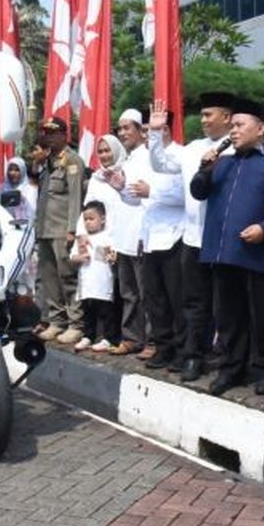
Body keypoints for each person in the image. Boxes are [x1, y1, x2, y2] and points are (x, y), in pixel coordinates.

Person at [190, 97, 264, 397]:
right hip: (224, 252)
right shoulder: (224, 162)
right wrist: (205, 168)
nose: (233, 131)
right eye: (231, 126)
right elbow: (198, 192)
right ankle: (232, 368)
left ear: (260, 129)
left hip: (260, 252)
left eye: (240, 125)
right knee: (229, 316)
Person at [148, 92, 236, 382]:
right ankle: (193, 357)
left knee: (225, 304)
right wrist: (156, 131)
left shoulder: (237, 149)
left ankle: (228, 358)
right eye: (202, 115)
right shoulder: (192, 149)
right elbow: (160, 163)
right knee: (194, 304)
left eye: (210, 114)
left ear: (226, 117)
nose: (204, 120)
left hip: (225, 240)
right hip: (193, 239)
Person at [115, 106, 185, 371]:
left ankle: (181, 349)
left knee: (176, 300)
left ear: (167, 128)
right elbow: (136, 197)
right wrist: (121, 188)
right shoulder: (148, 159)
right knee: (154, 299)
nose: (149, 135)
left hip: (174, 236)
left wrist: (151, 191)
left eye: (154, 129)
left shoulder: (181, 155)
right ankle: (163, 348)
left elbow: (184, 197)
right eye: (146, 130)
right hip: (149, 236)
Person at [34, 117, 87, 343]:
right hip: (45, 228)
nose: (48, 136)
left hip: (62, 228)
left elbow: (75, 197)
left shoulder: (71, 160)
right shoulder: (48, 161)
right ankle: (57, 321)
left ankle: (76, 323)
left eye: (53, 133)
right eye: (45, 133)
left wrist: (72, 229)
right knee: (49, 278)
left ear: (64, 134)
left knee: (67, 276)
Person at [107, 109, 151, 356]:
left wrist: (122, 188)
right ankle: (132, 337)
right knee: (128, 292)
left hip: (142, 234)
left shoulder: (148, 158)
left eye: (127, 128)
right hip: (124, 235)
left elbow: (139, 195)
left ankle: (153, 340)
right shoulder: (129, 159)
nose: (123, 133)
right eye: (120, 129)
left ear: (140, 130)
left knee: (147, 292)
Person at [78, 133, 127, 351]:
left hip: (119, 240)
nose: (105, 155)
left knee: (116, 291)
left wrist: (116, 243)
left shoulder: (124, 174)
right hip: (96, 241)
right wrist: (82, 236)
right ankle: (94, 334)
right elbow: (86, 210)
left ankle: (114, 336)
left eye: (108, 150)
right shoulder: (96, 178)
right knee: (96, 288)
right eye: (101, 151)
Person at [69, 201, 119, 352]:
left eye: (92, 219)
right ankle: (88, 335)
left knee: (106, 311)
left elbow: (112, 256)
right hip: (86, 284)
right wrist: (80, 257)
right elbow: (72, 256)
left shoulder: (108, 236)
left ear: (102, 219)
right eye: (85, 219)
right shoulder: (82, 239)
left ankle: (108, 338)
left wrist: (110, 256)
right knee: (88, 311)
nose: (88, 223)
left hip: (103, 282)